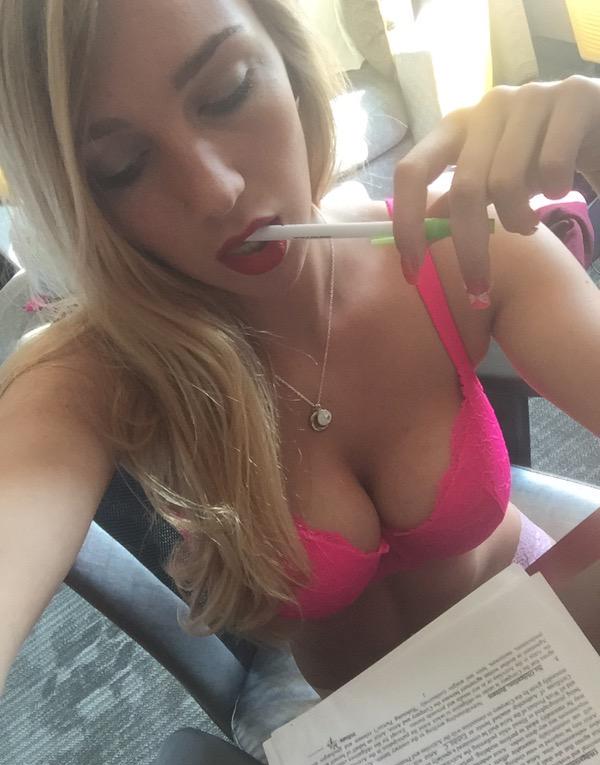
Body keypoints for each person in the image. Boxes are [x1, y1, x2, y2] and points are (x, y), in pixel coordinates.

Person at [0, 0, 599, 719]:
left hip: (537, 626)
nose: (216, 190)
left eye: (227, 93)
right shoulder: (105, 369)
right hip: (374, 733)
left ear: (288, 61)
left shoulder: (461, 246)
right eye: (123, 166)